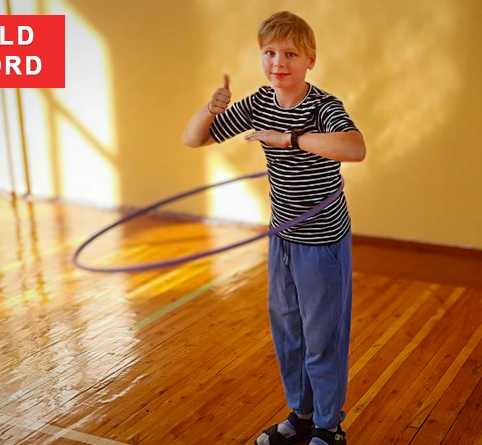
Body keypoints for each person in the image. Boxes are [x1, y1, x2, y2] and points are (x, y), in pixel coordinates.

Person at [182, 10, 366, 445]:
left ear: (310, 61)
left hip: (321, 241)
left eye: (290, 53)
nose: (277, 62)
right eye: (269, 53)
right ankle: (301, 417)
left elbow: (354, 147)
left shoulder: (323, 106)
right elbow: (195, 138)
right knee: (288, 330)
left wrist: (290, 139)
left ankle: (328, 427)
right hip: (282, 234)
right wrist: (210, 109)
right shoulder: (260, 102)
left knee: (322, 336)